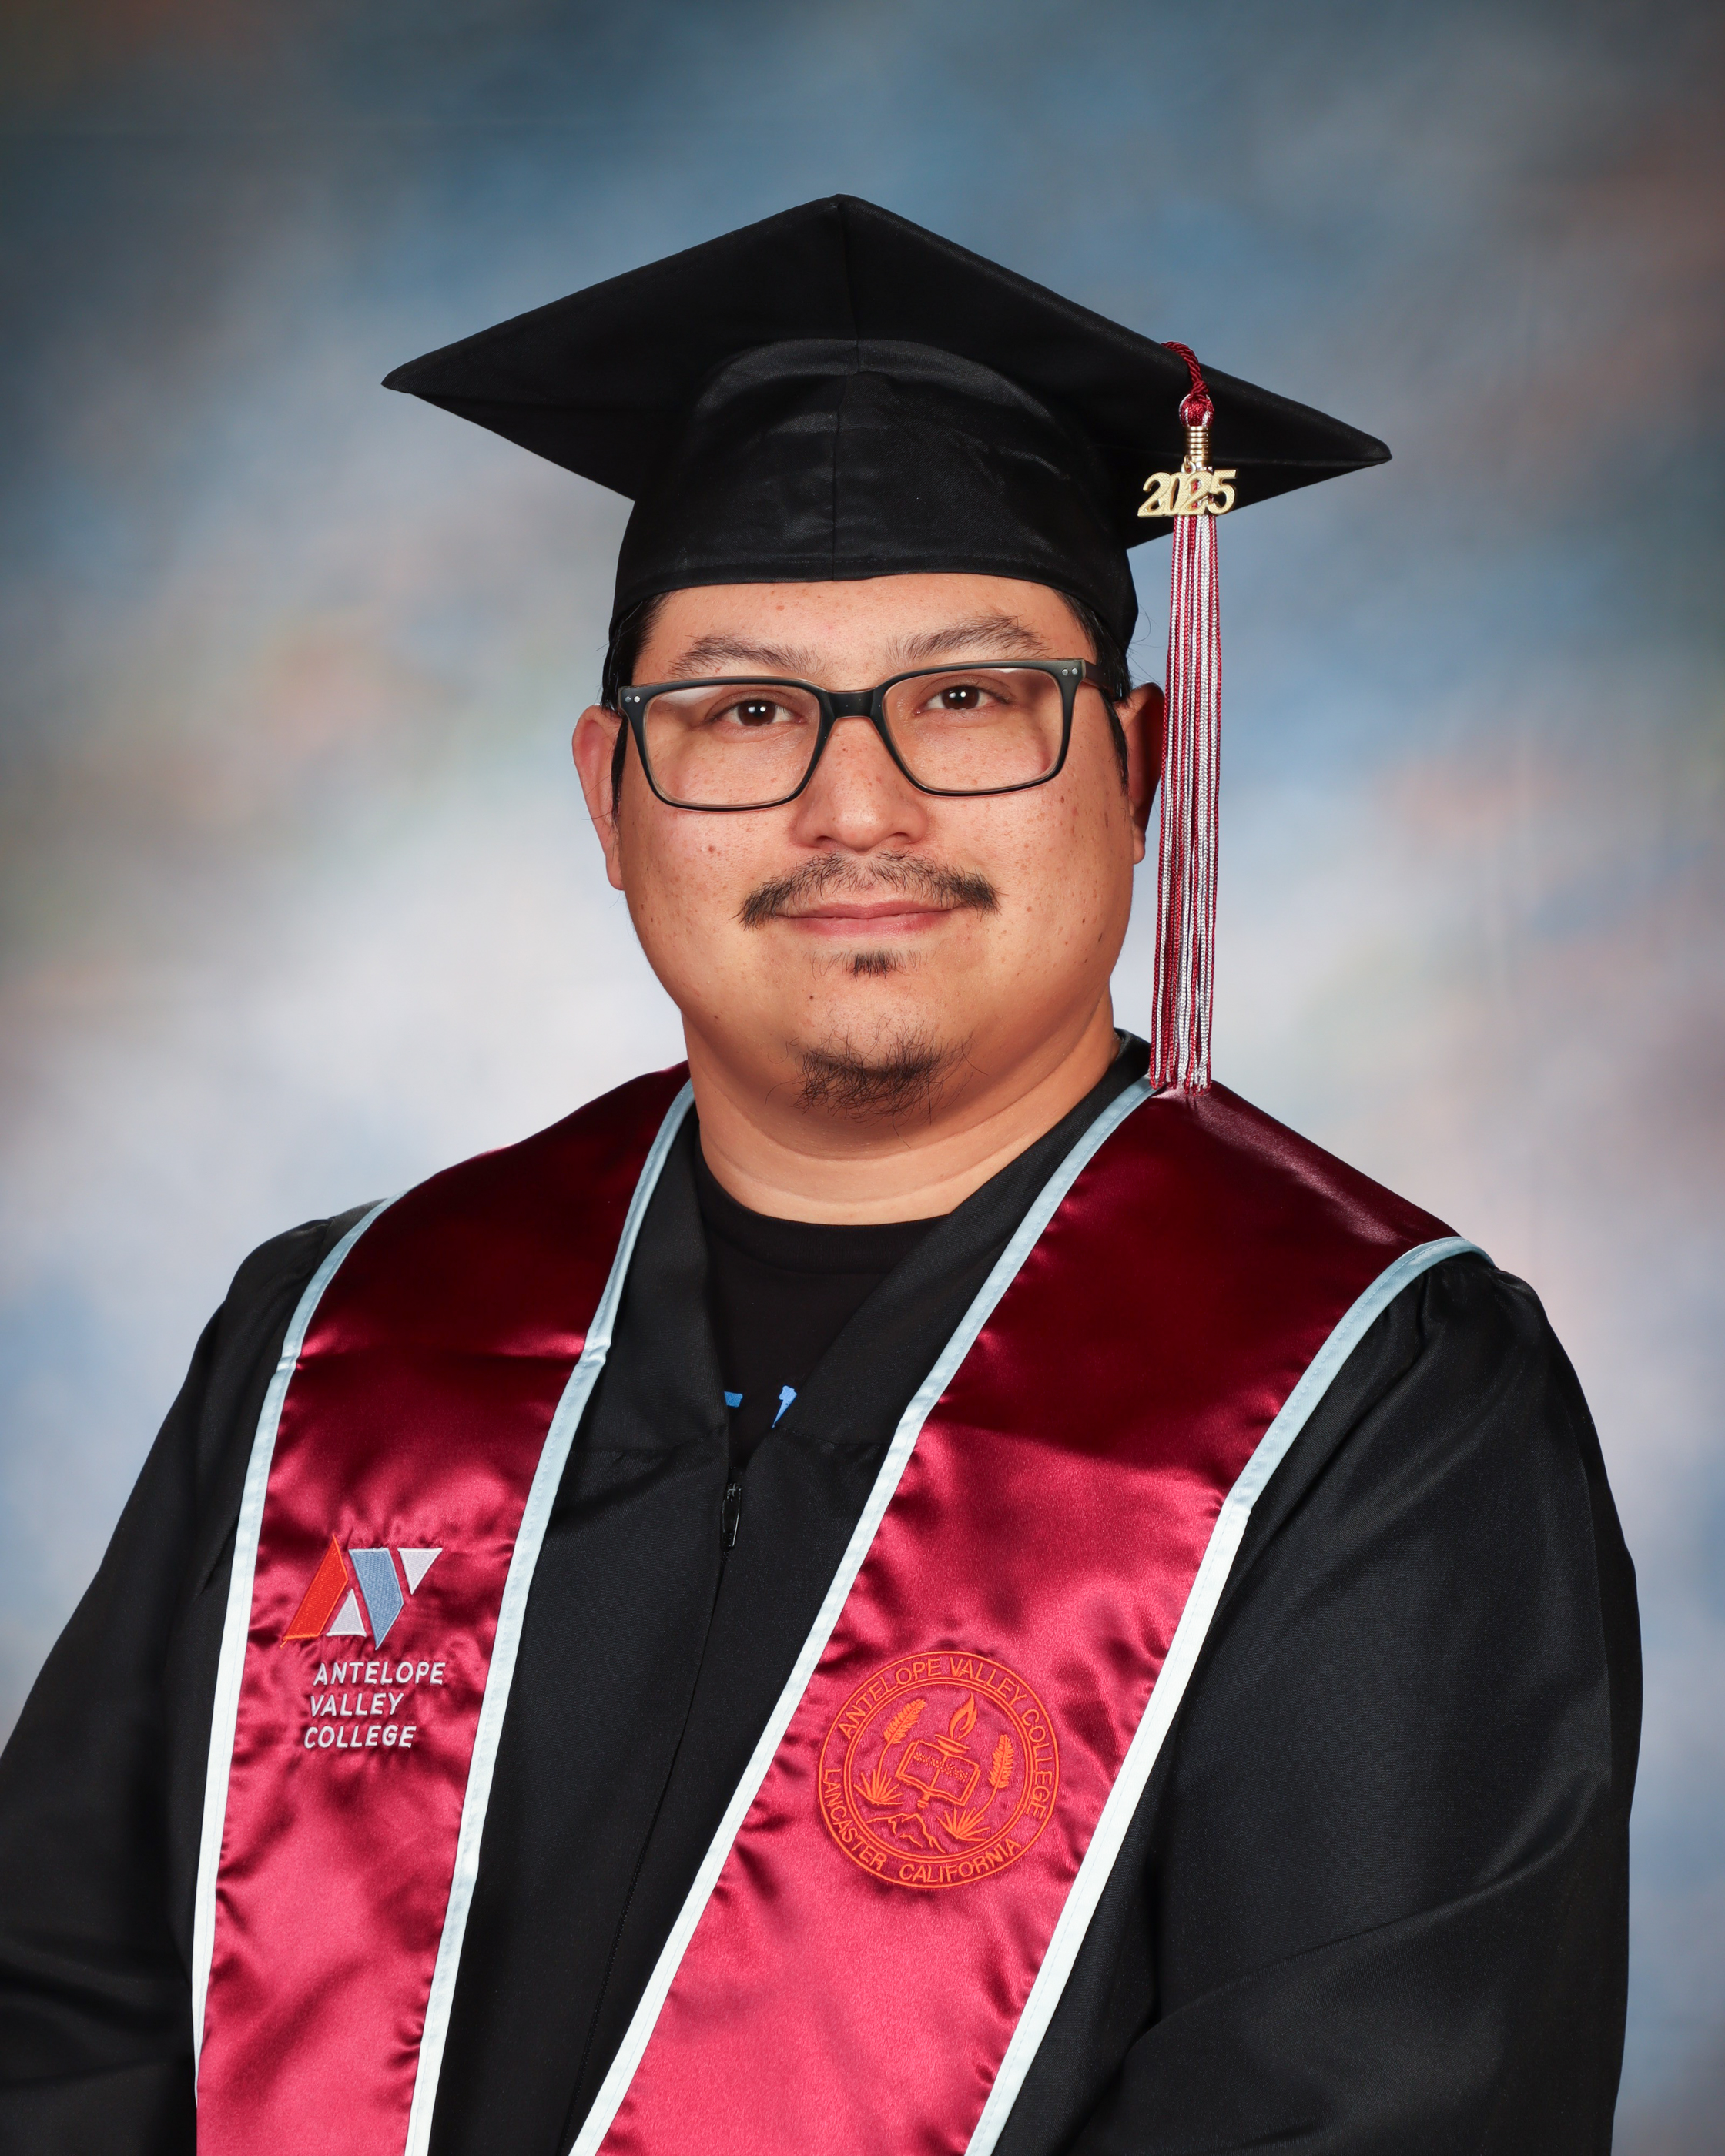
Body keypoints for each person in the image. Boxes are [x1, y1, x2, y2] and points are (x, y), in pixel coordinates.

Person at [0, 197, 1636, 2156]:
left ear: (1135, 765)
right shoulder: (335, 1347)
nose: (855, 804)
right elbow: (61, 2025)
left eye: (967, 698)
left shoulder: (1375, 1401)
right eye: (744, 711)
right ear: (612, 797)